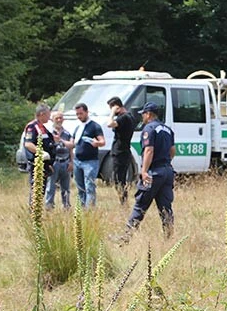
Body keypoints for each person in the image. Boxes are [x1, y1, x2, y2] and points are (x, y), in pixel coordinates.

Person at [113, 102, 175, 245]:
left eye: (143, 114)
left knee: (140, 205)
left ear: (148, 114)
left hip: (154, 172)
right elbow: (172, 151)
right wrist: (165, 164)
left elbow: (149, 150)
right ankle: (169, 239)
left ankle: (125, 238)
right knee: (166, 208)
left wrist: (144, 170)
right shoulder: (167, 129)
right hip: (166, 171)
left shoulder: (149, 129)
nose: (142, 117)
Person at [72, 103, 106, 207]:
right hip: (77, 161)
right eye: (77, 114)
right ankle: (82, 209)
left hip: (90, 162)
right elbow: (72, 143)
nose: (79, 116)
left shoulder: (94, 126)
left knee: (89, 186)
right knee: (80, 187)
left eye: (81, 113)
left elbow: (103, 141)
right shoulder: (78, 127)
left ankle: (90, 210)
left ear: (87, 112)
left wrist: (97, 143)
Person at [106, 96, 137, 205]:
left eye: (111, 108)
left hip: (120, 152)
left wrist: (112, 113)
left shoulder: (123, 117)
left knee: (119, 179)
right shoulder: (130, 116)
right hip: (124, 150)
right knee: (120, 178)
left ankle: (123, 201)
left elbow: (109, 124)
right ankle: (123, 200)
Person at [23, 103, 55, 206]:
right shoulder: (32, 127)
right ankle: (33, 214)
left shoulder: (43, 128)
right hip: (36, 165)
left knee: (42, 191)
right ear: (42, 114)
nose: (50, 116)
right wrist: (41, 153)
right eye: (48, 114)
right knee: (36, 190)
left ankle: (38, 212)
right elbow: (28, 144)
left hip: (45, 165)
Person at [44, 111, 74, 209]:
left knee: (66, 187)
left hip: (65, 162)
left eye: (61, 118)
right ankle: (49, 206)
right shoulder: (48, 133)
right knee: (51, 186)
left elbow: (71, 146)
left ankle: (66, 206)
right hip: (54, 162)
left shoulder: (67, 133)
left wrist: (71, 162)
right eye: (56, 118)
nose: (59, 120)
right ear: (52, 119)